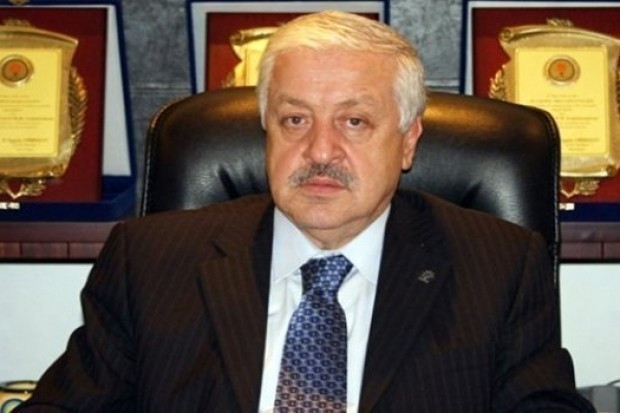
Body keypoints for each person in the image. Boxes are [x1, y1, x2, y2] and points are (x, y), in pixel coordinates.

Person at [18, 10, 594, 412]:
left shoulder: (499, 267)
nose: (320, 151)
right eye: (295, 120)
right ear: (265, 129)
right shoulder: (149, 261)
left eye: (354, 122)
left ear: (408, 141)